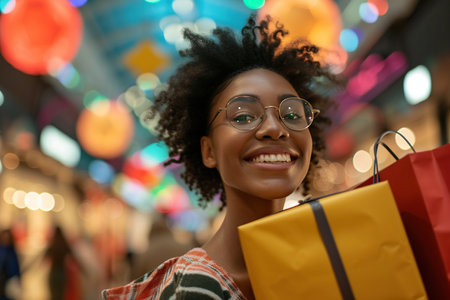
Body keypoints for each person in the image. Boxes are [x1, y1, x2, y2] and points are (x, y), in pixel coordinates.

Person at [103, 14, 337, 300]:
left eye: (291, 114)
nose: (275, 128)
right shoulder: (197, 289)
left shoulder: (324, 262)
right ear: (209, 151)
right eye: (243, 116)